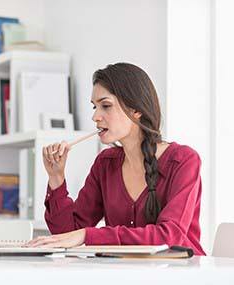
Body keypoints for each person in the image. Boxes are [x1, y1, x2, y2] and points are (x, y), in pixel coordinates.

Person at [26, 63, 206, 255]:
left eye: (106, 106)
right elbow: (66, 235)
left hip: (181, 276)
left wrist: (89, 235)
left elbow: (169, 237)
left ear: (136, 109)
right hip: (124, 275)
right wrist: (56, 178)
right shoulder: (105, 164)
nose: (95, 116)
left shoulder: (183, 161)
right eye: (95, 107)